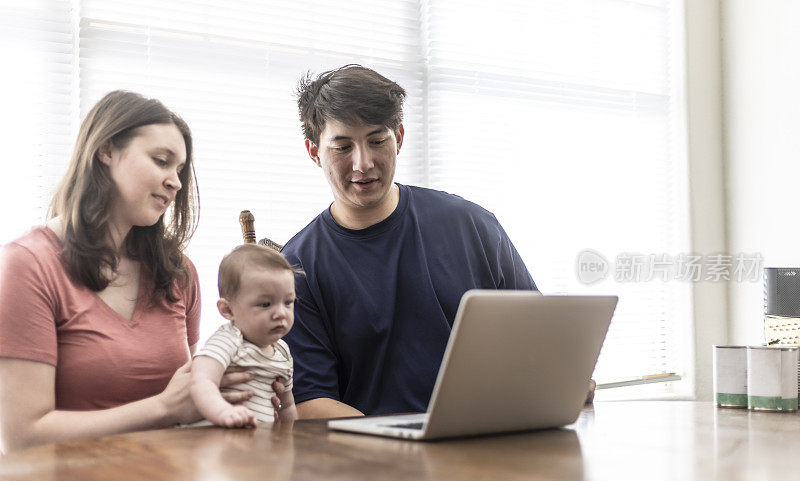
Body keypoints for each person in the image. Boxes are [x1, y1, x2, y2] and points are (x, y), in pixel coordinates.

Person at [0, 91, 281, 453]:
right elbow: (21, 434)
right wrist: (163, 407)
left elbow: (190, 399)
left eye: (179, 169)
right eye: (161, 161)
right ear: (106, 150)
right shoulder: (27, 266)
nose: (176, 182)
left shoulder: (179, 273)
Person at [282, 65, 546, 419]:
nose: (363, 163)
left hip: (490, 440)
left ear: (400, 138)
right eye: (343, 147)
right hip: (373, 458)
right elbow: (310, 400)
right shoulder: (297, 266)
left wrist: (564, 382)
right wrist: (399, 448)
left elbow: (538, 336)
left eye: (377, 141)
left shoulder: (470, 224)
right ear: (314, 153)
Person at [190, 244, 299, 427]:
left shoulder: (283, 352)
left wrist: (291, 437)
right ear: (228, 310)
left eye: (288, 302)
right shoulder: (230, 339)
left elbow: (287, 406)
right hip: (215, 434)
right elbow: (201, 381)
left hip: (256, 444)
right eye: (265, 304)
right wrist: (224, 412)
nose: (281, 313)